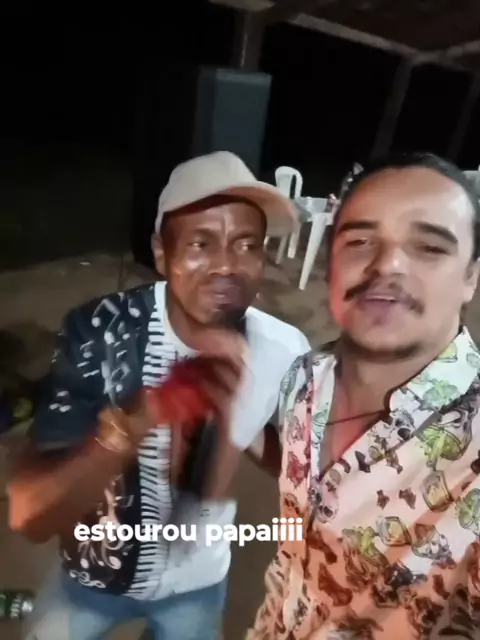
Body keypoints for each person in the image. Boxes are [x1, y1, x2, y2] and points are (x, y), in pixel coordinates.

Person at [7, 150, 310, 640]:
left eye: (247, 245)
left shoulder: (284, 349)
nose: (226, 265)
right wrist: (144, 417)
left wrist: (241, 428)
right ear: (161, 252)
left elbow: (296, 462)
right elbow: (31, 517)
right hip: (92, 578)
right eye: (201, 244)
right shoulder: (101, 332)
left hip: (197, 584)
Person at [246, 152, 480, 639]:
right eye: (360, 241)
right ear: (332, 264)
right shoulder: (305, 379)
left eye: (429, 247)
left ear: (471, 278)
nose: (387, 264)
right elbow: (304, 498)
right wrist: (236, 427)